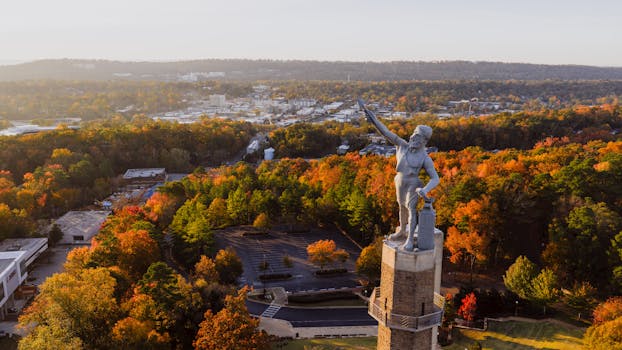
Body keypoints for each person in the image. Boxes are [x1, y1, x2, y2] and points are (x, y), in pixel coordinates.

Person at [359, 100, 439, 251]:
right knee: (401, 208)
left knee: (411, 210)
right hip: (399, 181)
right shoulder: (401, 145)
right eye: (414, 136)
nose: (415, 139)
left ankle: (409, 239)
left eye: (419, 138)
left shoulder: (425, 157)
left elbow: (435, 178)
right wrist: (374, 120)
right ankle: (402, 231)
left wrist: (425, 189)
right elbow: (386, 132)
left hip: (414, 184)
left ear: (424, 141)